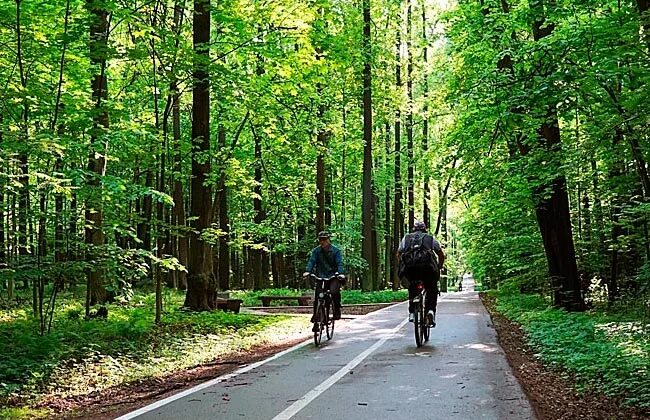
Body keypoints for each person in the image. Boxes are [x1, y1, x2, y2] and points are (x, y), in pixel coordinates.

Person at [397, 221, 445, 326]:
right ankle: (430, 311)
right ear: (425, 229)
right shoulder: (430, 239)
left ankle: (412, 313)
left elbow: (399, 253)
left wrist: (402, 265)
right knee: (432, 289)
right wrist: (439, 266)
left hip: (411, 269)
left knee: (412, 287)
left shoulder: (407, 238)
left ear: (413, 229)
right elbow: (441, 254)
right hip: (427, 270)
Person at [303, 231, 345, 331]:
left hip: (333, 276)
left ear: (328, 239)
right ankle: (316, 320)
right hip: (321, 276)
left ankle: (336, 309)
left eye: (324, 239)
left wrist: (340, 273)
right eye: (321, 239)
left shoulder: (336, 251)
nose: (323, 241)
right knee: (318, 297)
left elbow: (340, 263)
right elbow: (311, 261)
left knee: (334, 291)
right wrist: (307, 271)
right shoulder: (316, 251)